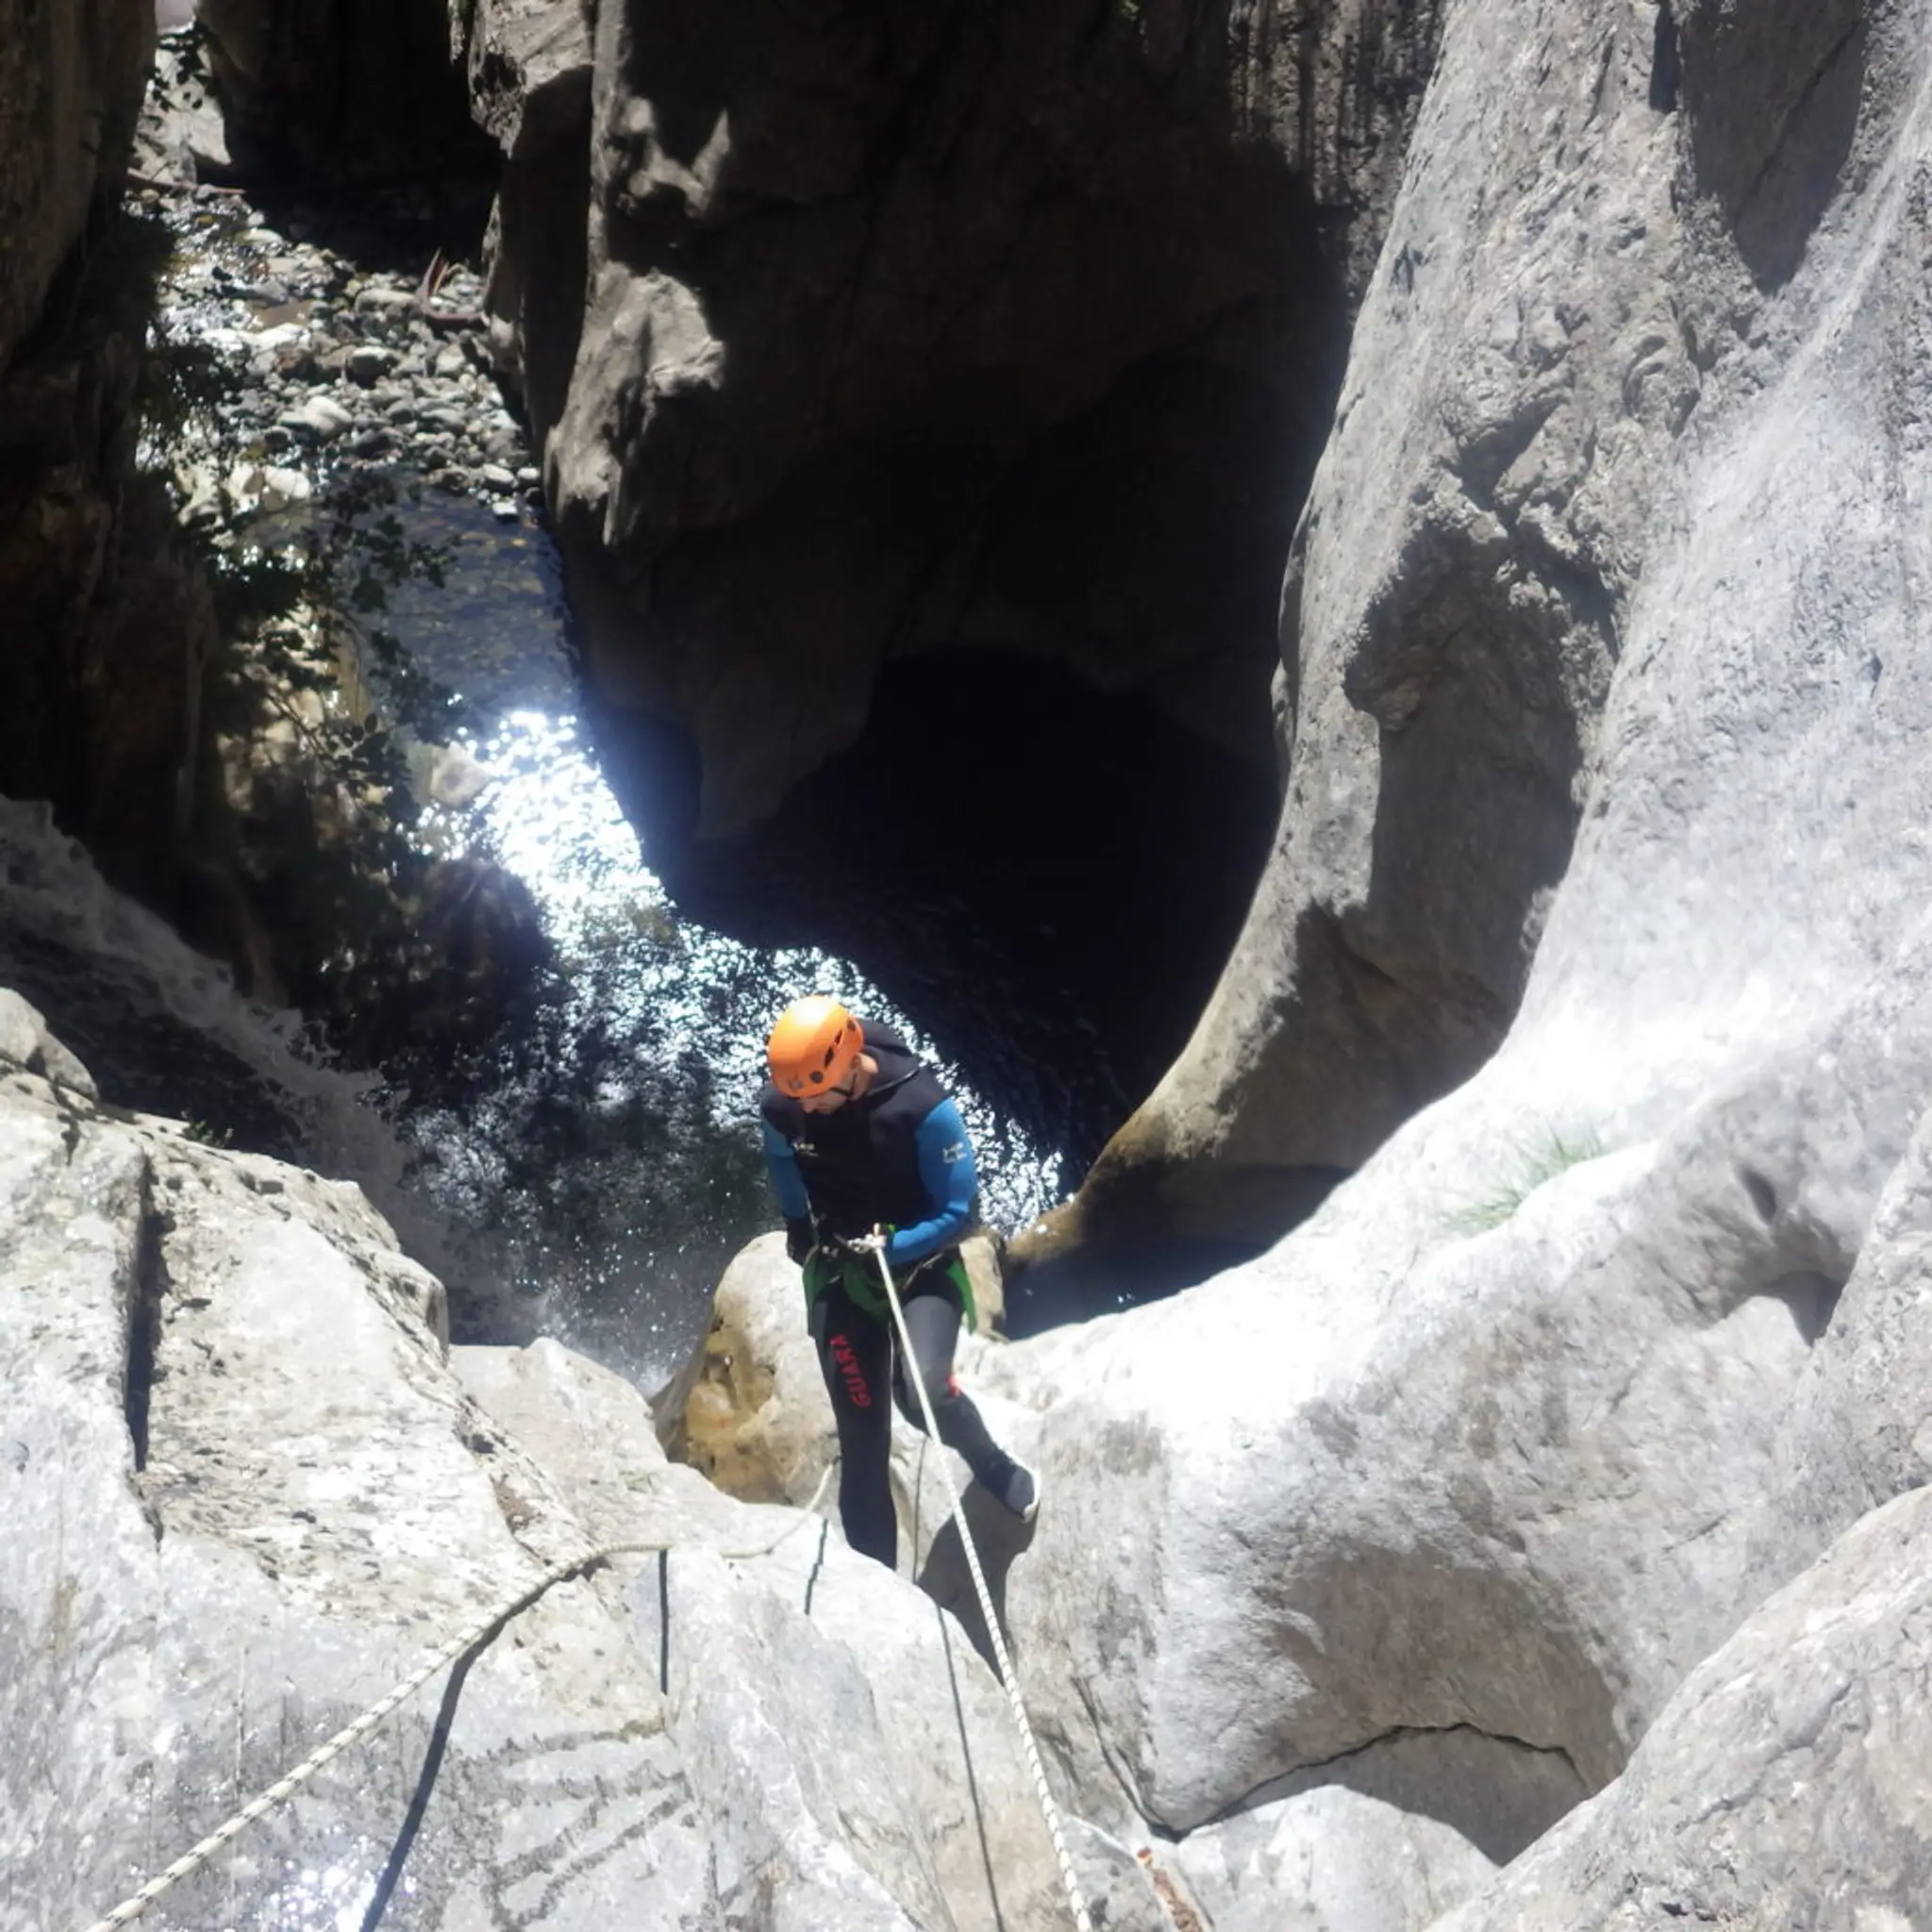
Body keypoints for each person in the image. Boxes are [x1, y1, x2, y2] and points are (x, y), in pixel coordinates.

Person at [760, 994, 1039, 1568]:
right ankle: (880, 1591)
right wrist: (796, 1224)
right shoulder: (787, 1104)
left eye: (815, 1095)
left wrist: (896, 1247)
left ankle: (990, 1462)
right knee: (863, 1440)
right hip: (843, 1266)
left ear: (847, 1070)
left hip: (922, 1265)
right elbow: (783, 1159)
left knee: (924, 1395)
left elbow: (960, 1211)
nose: (805, 1109)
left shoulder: (922, 1108)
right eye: (797, 1097)